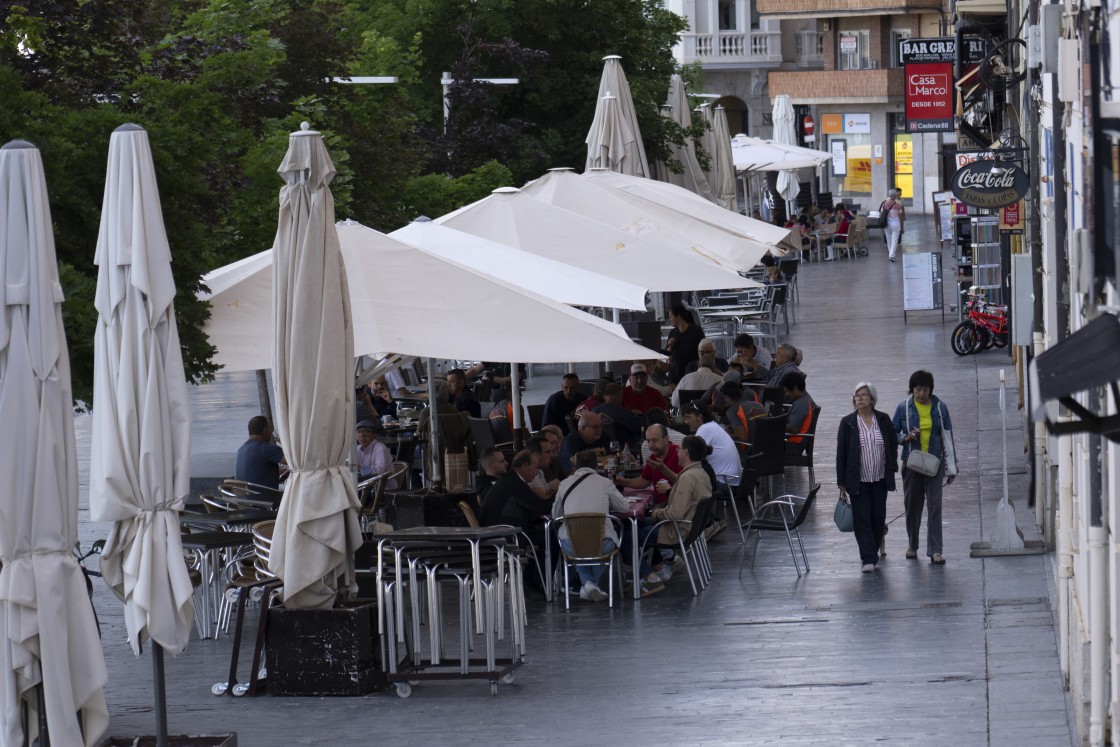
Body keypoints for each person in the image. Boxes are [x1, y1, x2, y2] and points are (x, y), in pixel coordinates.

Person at [621, 436, 713, 596]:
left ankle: (650, 577)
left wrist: (656, 513)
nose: (676, 452)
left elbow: (674, 513)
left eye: (678, 449)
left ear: (685, 452)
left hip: (676, 530)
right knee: (637, 524)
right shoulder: (701, 473)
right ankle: (655, 569)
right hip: (690, 528)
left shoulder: (687, 478)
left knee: (625, 537)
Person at [892, 370, 958, 565]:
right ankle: (913, 545)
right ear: (912, 390)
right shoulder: (903, 408)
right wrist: (905, 438)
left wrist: (953, 465)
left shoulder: (940, 408)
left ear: (931, 390)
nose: (921, 393)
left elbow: (947, 435)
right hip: (912, 464)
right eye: (918, 389)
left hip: (934, 463)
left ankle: (936, 550)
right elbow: (893, 432)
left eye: (925, 389)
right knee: (912, 506)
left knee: (935, 506)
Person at [553, 450, 630, 602]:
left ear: (574, 466)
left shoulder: (564, 484)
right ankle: (590, 583)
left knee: (579, 550)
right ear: (596, 465)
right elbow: (624, 507)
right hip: (602, 543)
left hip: (571, 544)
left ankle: (587, 584)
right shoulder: (605, 483)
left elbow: (556, 515)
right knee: (602, 549)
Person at [837, 382, 899, 572]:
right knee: (862, 518)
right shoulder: (848, 422)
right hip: (858, 480)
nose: (860, 398)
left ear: (872, 399)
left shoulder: (883, 419)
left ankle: (872, 550)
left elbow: (892, 443)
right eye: (857, 395)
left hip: (880, 478)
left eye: (864, 395)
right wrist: (841, 481)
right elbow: (842, 453)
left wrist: (892, 465)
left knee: (878, 518)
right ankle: (868, 558)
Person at [681, 401, 740, 491]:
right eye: (685, 418)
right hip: (734, 481)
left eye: (689, 417)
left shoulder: (705, 429)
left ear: (699, 417)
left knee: (688, 481)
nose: (686, 421)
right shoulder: (713, 425)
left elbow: (691, 457)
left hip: (725, 484)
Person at [417, 378, 471, 476]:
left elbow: (419, 434)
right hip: (453, 450)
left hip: (432, 452)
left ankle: (416, 484)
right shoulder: (454, 410)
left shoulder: (426, 412)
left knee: (408, 453)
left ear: (429, 393)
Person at [615, 423, 682, 502]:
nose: (650, 445)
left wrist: (663, 469)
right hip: (659, 506)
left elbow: (684, 482)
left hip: (675, 506)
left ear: (666, 439)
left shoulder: (679, 454)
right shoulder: (654, 456)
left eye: (654, 440)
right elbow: (643, 481)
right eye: (648, 441)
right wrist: (621, 481)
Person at [234, 416, 286, 496]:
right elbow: (295, 460)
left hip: (244, 501)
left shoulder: (241, 449)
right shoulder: (266, 448)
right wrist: (284, 442)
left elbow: (259, 472)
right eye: (270, 428)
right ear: (265, 430)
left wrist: (286, 471)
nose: (271, 432)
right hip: (265, 500)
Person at [592, 382, 644, 453]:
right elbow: (641, 426)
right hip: (625, 451)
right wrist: (639, 415)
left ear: (604, 396)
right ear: (620, 395)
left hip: (600, 450)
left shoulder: (594, 411)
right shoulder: (622, 413)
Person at [663, 305, 704, 383]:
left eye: (671, 317)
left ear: (678, 317)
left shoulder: (696, 331)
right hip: (676, 376)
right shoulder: (673, 333)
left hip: (693, 375)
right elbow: (667, 355)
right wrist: (670, 346)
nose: (669, 320)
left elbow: (704, 351)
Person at [782, 371, 816, 455]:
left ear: (796, 388)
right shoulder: (806, 399)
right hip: (795, 444)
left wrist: (776, 424)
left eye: (787, 391)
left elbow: (794, 429)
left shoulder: (801, 404)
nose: (786, 394)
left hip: (792, 446)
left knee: (760, 446)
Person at [355, 420, 395, 489]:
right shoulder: (357, 449)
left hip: (383, 488)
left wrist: (361, 468)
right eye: (359, 432)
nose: (362, 435)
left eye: (366, 431)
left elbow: (380, 469)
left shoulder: (380, 448)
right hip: (367, 486)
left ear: (374, 435)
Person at [526, 434, 560, 500]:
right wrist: (550, 487)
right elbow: (543, 502)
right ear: (535, 454)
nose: (552, 455)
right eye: (548, 452)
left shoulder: (540, 471)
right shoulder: (527, 474)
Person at [881, 188, 905, 262]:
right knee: (894, 240)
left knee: (889, 239)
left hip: (887, 224)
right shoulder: (898, 205)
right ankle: (891, 255)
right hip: (896, 224)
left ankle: (890, 255)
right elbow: (901, 216)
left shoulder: (884, 204)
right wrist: (902, 226)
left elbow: (882, 213)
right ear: (895, 196)